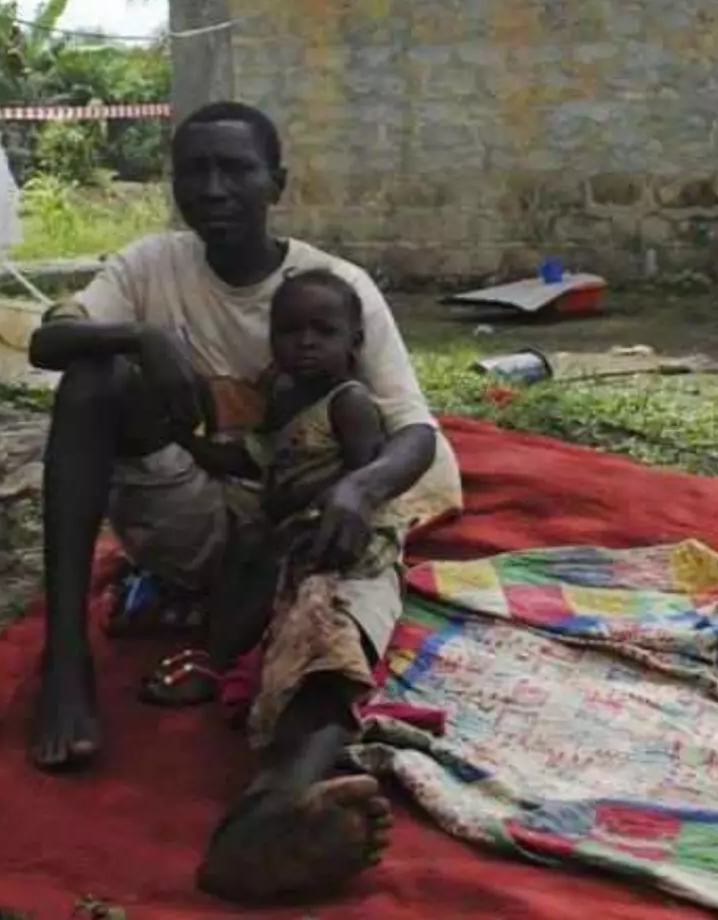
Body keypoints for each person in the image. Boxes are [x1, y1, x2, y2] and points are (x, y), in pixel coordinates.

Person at [24, 101, 462, 903]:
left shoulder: (337, 288)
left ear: (277, 184)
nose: (215, 187)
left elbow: (415, 433)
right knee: (91, 381)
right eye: (196, 170)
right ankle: (65, 663)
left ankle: (276, 805)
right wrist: (138, 339)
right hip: (195, 516)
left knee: (333, 604)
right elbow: (46, 341)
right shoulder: (152, 266)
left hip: (307, 519)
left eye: (237, 170)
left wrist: (359, 488)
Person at [138, 268, 399, 711]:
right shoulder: (281, 395)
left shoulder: (349, 402)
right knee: (243, 547)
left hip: (345, 529)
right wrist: (187, 442)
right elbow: (256, 458)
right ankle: (219, 640)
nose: (306, 342)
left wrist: (309, 494)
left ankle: (220, 661)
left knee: (268, 559)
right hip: (286, 520)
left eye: (324, 331)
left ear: (354, 342)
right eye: (291, 330)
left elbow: (367, 477)